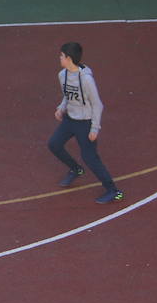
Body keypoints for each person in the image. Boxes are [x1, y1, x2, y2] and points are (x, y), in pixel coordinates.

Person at [49, 42, 125, 205]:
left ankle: (114, 191)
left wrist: (94, 128)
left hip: (85, 122)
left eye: (61, 55)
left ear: (69, 58)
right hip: (70, 119)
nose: (59, 58)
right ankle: (76, 169)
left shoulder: (87, 80)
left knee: (90, 157)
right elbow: (67, 96)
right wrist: (61, 108)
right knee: (54, 144)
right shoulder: (62, 75)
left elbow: (97, 104)